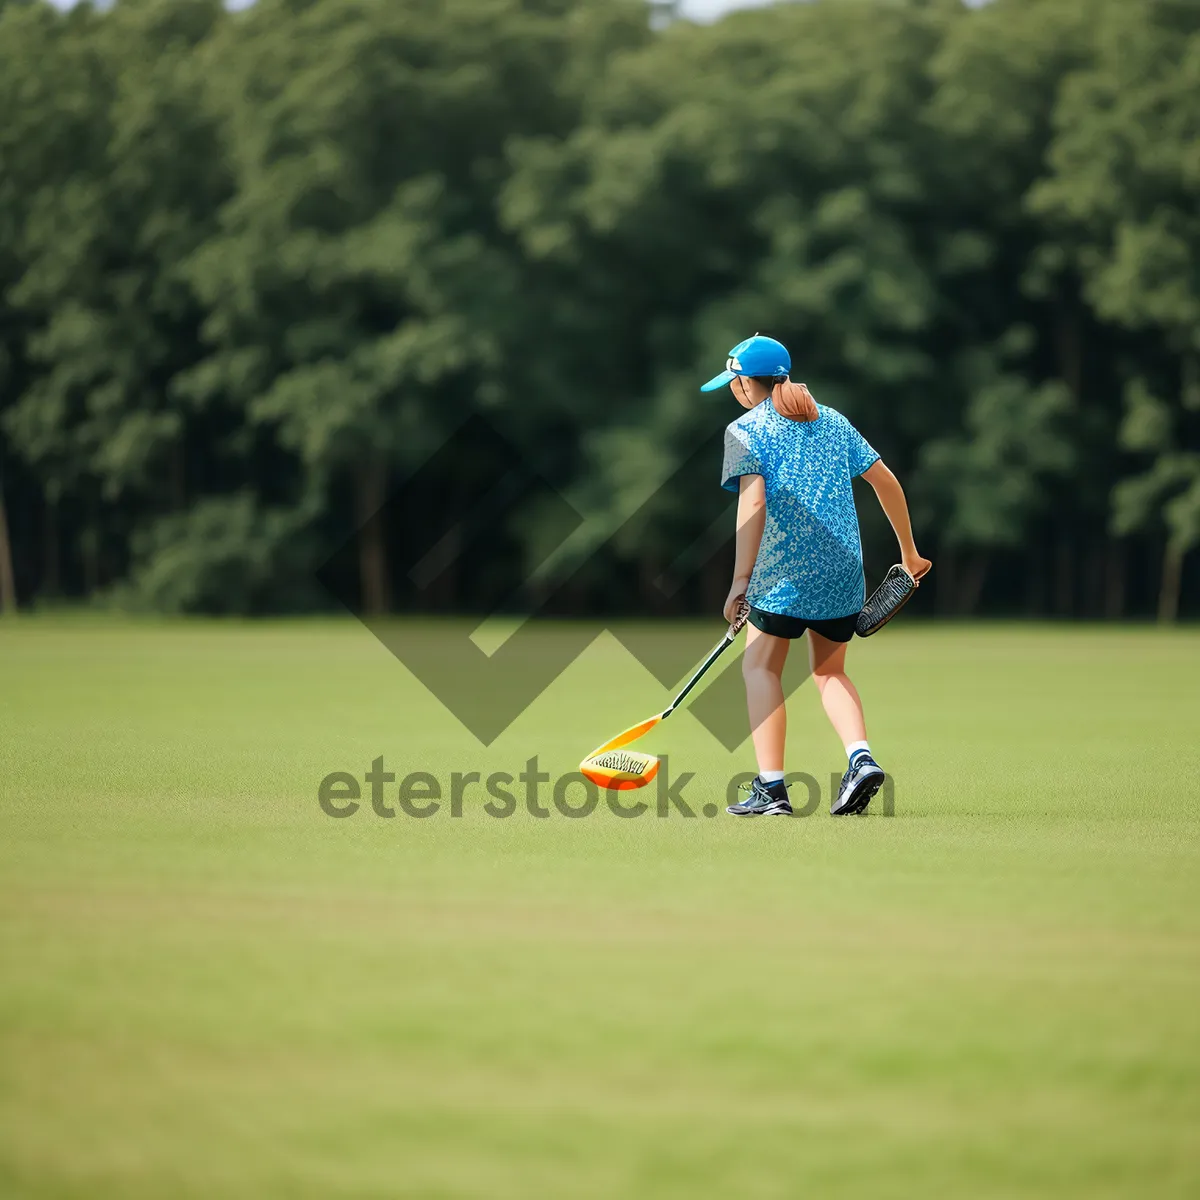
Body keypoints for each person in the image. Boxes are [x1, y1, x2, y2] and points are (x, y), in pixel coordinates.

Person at [699, 334, 931, 817]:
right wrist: (909, 553)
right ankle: (860, 758)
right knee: (829, 672)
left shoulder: (744, 428)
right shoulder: (832, 420)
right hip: (844, 568)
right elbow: (886, 482)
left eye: (733, 382)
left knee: (759, 668)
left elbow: (754, 503)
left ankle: (772, 789)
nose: (732, 390)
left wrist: (740, 581)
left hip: (782, 571)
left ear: (745, 383)